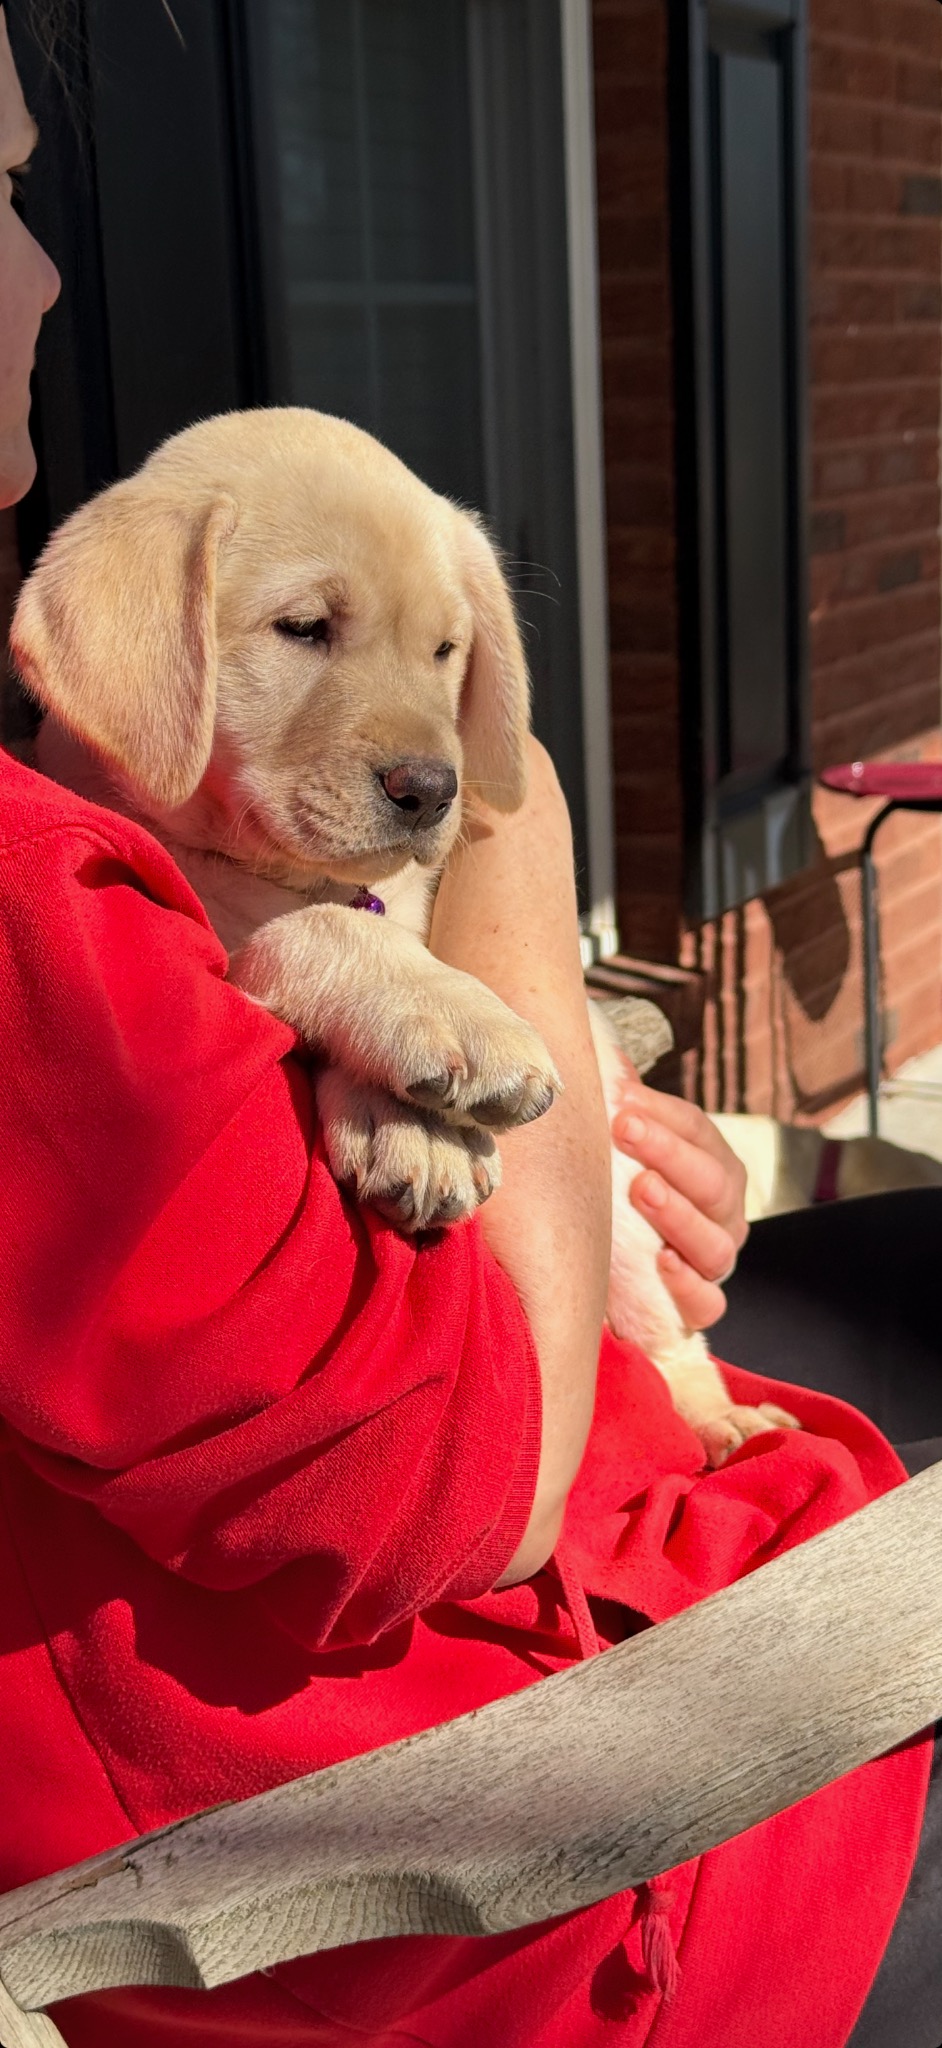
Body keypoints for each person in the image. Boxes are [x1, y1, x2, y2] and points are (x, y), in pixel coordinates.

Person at [0, 10, 937, 2043]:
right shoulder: (33, 905)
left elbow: (420, 1167)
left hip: (572, 1599)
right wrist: (517, 814)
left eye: (435, 658)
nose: (54, 266)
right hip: (528, 1871)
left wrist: (580, 1183)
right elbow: (466, 1486)